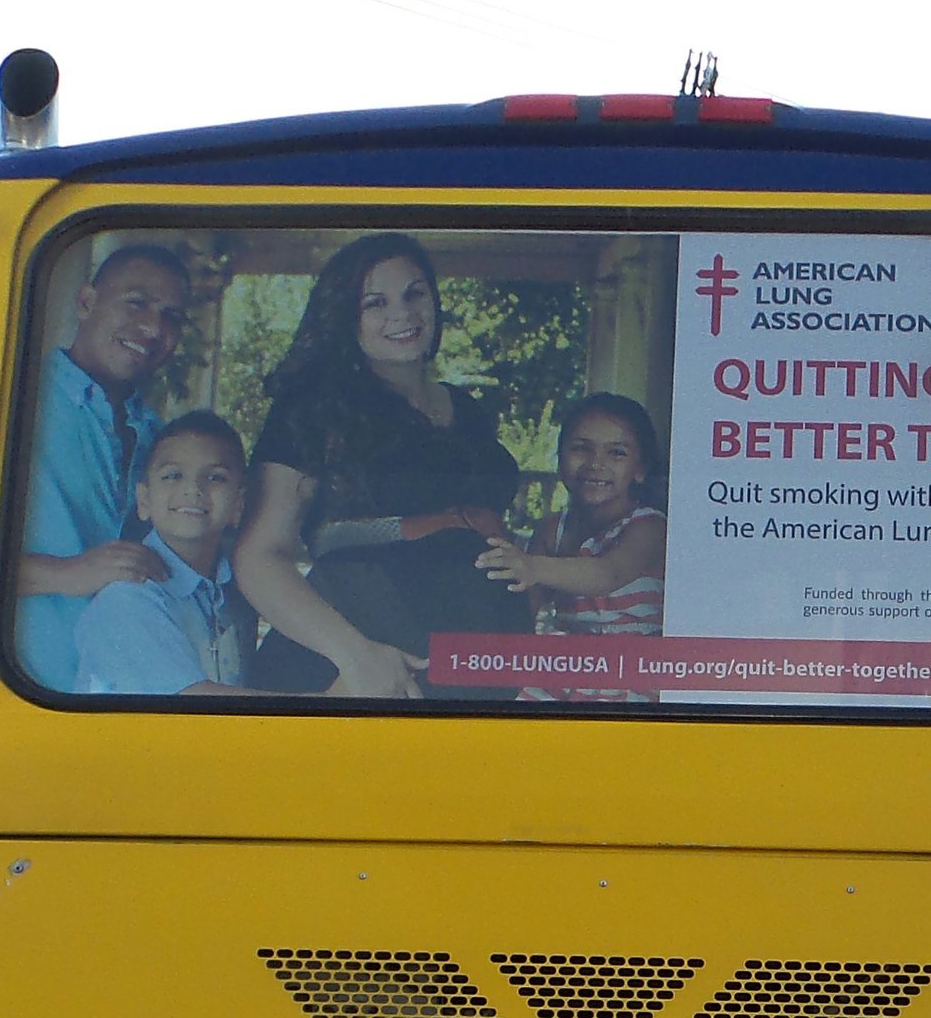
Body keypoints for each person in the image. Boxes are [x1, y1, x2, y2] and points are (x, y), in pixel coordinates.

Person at [230, 232, 531, 700]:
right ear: (344, 316)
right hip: (358, 674)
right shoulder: (313, 412)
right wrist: (356, 655)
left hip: (471, 666)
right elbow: (259, 556)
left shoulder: (466, 409)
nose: (402, 314)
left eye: (415, 293)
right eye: (375, 302)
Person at [16, 242, 192, 691]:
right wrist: (63, 573)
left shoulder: (154, 436)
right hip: (17, 689)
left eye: (172, 316)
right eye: (136, 303)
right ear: (86, 302)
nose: (153, 328)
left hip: (117, 701)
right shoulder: (16, 402)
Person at [474, 393, 667, 704]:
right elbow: (529, 608)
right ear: (560, 460)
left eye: (616, 453)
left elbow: (607, 573)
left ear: (640, 469)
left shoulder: (649, 526)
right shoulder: (553, 529)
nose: (596, 464)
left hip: (635, 672)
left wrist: (532, 566)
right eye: (581, 448)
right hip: (572, 666)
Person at [71, 412, 257, 695]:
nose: (193, 489)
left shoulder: (226, 593)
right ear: (144, 500)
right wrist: (318, 704)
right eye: (173, 475)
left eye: (215, 478)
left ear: (238, 505)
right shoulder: (128, 596)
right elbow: (194, 702)